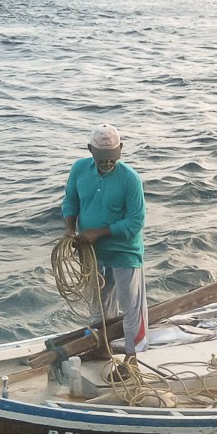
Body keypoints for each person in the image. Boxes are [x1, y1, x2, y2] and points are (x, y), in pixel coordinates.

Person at [61, 123, 149, 363]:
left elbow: (135, 221)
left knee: (132, 307)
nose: (108, 164)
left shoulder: (130, 179)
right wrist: (70, 229)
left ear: (120, 150)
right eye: (102, 159)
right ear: (90, 150)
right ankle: (102, 348)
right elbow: (70, 201)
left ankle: (133, 359)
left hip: (125, 252)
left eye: (112, 159)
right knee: (99, 303)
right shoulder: (79, 169)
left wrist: (99, 232)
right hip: (94, 253)